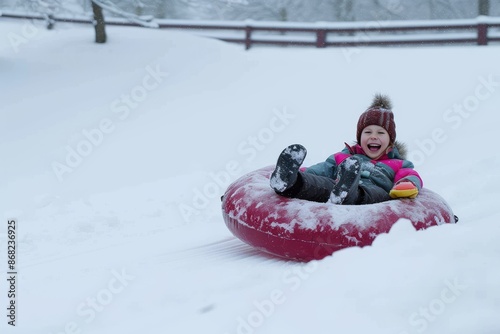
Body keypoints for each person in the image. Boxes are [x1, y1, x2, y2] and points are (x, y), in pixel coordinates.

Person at [269, 94, 422, 205]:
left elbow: (410, 176)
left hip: (372, 194)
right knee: (323, 185)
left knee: (375, 194)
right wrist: (303, 174)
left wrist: (407, 183)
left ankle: (349, 190)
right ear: (359, 138)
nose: (374, 137)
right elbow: (322, 170)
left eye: (380, 133)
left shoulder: (398, 164)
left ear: (390, 142)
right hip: (336, 187)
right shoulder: (342, 157)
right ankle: (289, 182)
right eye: (367, 132)